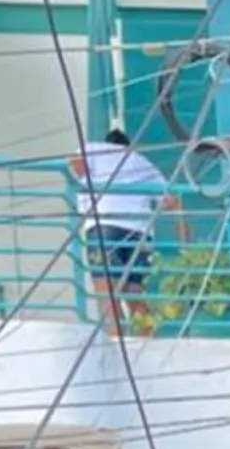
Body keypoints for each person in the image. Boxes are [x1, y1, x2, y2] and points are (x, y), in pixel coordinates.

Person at [69, 127, 167, 330]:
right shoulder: (143, 162)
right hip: (140, 233)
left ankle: (117, 341)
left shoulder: (96, 149)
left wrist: (88, 182)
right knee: (134, 293)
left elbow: (75, 163)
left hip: (104, 225)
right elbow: (170, 200)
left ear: (108, 143)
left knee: (107, 294)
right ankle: (145, 340)